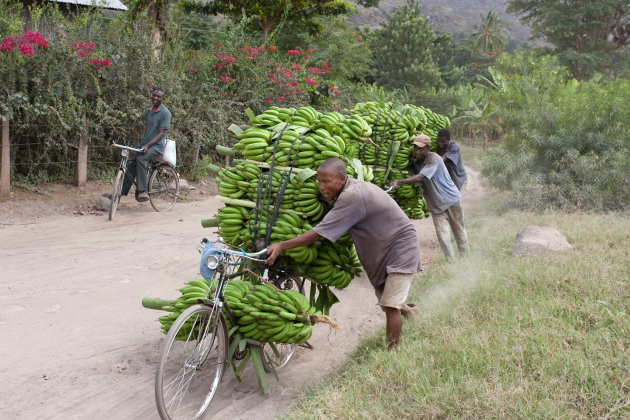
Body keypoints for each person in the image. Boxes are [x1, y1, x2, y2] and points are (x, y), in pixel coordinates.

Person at [264, 158, 422, 350]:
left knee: (390, 306)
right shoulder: (348, 190)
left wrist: (282, 245)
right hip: (385, 249)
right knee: (386, 299)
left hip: (401, 248)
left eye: (326, 181)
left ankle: (392, 353)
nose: (321, 187)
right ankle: (411, 313)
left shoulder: (352, 197)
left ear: (341, 179)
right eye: (319, 181)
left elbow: (319, 233)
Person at [391, 134, 469, 263]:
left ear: (428, 148)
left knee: (458, 231)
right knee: (442, 235)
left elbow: (421, 177)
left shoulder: (434, 159)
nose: (417, 151)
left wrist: (399, 182)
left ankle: (466, 258)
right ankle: (451, 263)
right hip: (436, 205)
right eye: (415, 148)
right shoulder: (417, 163)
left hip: (451, 200)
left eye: (420, 149)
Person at [121, 88, 172, 202]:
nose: (156, 98)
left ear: (162, 99)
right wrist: (143, 144)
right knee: (131, 166)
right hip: (145, 144)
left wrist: (148, 146)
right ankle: (119, 193)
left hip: (157, 147)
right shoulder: (149, 111)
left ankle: (143, 191)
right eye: (154, 95)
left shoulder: (166, 113)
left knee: (141, 159)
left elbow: (161, 134)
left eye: (159, 97)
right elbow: (149, 130)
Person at [436, 129, 467, 195]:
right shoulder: (438, 148)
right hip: (448, 183)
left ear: (449, 139)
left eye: (443, 142)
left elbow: (441, 160)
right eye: (438, 141)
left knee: (456, 203)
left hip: (459, 180)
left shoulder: (454, 147)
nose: (440, 144)